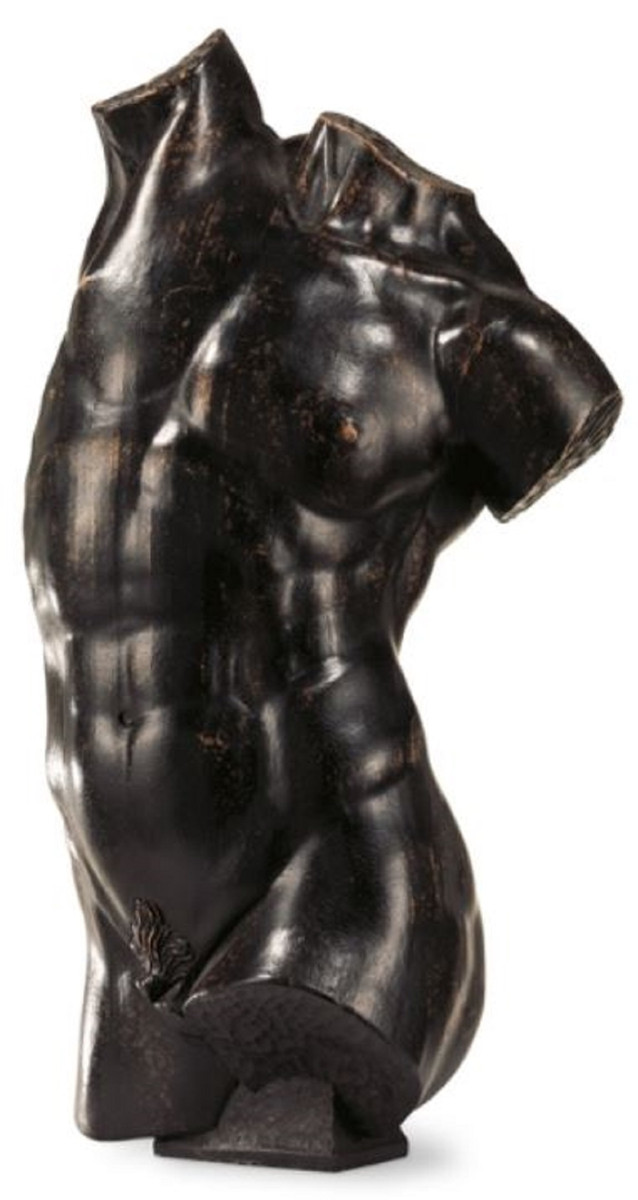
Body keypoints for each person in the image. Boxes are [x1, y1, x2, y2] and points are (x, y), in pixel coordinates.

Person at [24, 29, 622, 1168]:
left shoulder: (424, 292)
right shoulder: (117, 283)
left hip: (339, 889)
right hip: (122, 934)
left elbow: (556, 399)